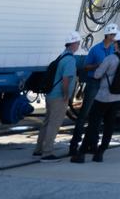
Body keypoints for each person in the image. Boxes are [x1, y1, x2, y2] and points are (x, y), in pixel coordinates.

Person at [71, 29, 120, 163]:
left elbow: (97, 75)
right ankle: (100, 153)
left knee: (93, 124)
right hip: (119, 96)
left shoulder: (110, 58)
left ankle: (81, 153)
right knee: (109, 125)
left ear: (116, 44)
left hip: (103, 97)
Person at [69, 24, 117, 152]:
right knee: (85, 113)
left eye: (115, 36)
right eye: (112, 35)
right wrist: (98, 65)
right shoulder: (96, 50)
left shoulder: (114, 50)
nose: (114, 38)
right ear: (107, 35)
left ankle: (93, 144)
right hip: (94, 83)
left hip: (105, 85)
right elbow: (86, 67)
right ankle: (74, 145)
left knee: (97, 116)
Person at [34, 31, 81, 159]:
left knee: (47, 122)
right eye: (78, 43)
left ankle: (38, 149)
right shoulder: (70, 60)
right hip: (59, 97)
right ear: (74, 44)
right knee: (53, 125)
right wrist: (66, 95)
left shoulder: (61, 56)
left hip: (50, 94)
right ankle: (47, 153)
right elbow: (66, 80)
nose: (78, 45)